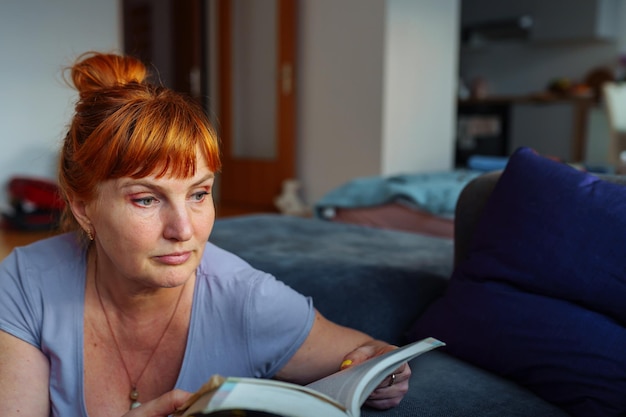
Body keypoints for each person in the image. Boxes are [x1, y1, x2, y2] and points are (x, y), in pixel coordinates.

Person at [0, 51, 410, 417]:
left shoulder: (249, 300)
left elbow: (369, 356)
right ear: (83, 207)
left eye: (199, 193)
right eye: (146, 199)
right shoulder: (25, 285)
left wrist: (386, 368)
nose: (184, 230)